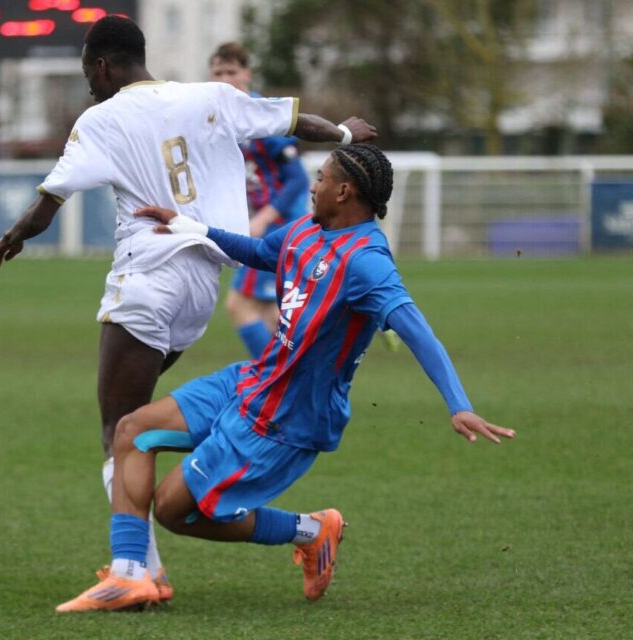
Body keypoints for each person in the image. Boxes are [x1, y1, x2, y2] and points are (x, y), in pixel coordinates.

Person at [0, 15, 377, 600]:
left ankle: (137, 573)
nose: (89, 85)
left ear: (101, 65)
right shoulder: (214, 96)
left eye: (87, 73)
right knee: (136, 422)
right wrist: (345, 137)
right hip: (202, 283)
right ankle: (282, 526)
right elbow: (301, 124)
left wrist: (12, 236)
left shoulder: (101, 118)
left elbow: (50, 200)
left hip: (148, 275)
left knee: (119, 429)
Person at [55, 144, 515, 612]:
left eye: (321, 178)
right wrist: (190, 228)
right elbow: (259, 251)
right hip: (251, 381)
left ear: (344, 190)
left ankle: (312, 531)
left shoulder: (367, 262)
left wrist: (458, 404)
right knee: (131, 431)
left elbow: (420, 333)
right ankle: (130, 576)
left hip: (286, 420)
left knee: (174, 511)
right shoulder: (306, 230)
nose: (312, 186)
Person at [209, 42, 311, 359]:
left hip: (279, 227)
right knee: (269, 314)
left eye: (232, 72)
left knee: (239, 305)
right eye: (218, 73)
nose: (225, 79)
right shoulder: (216, 119)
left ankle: (271, 381)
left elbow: (298, 179)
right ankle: (285, 383)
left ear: (247, 74)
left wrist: (263, 218)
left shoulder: (260, 115)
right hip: (269, 228)